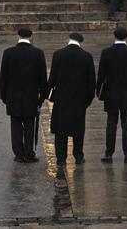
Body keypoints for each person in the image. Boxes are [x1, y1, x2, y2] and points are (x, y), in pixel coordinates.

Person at [46, 32, 96, 168]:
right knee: (78, 130)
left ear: (68, 40)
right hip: (79, 100)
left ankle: (61, 159)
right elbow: (92, 82)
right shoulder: (86, 56)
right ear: (81, 41)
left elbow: (52, 79)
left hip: (61, 99)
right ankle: (78, 156)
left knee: (60, 131)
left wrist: (49, 95)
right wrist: (88, 100)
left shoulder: (58, 54)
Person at [0, 27, 47, 163]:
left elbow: (4, 77)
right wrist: (42, 97)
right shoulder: (38, 53)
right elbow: (42, 78)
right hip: (31, 96)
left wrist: (4, 96)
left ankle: (19, 154)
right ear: (31, 36)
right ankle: (29, 152)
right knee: (30, 125)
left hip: (13, 96)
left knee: (15, 125)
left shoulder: (8, 53)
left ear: (18, 36)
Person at [96, 26, 127, 163]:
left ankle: (109, 153)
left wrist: (99, 93)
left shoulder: (106, 52)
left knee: (111, 123)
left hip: (111, 93)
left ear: (114, 36)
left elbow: (101, 75)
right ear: (126, 36)